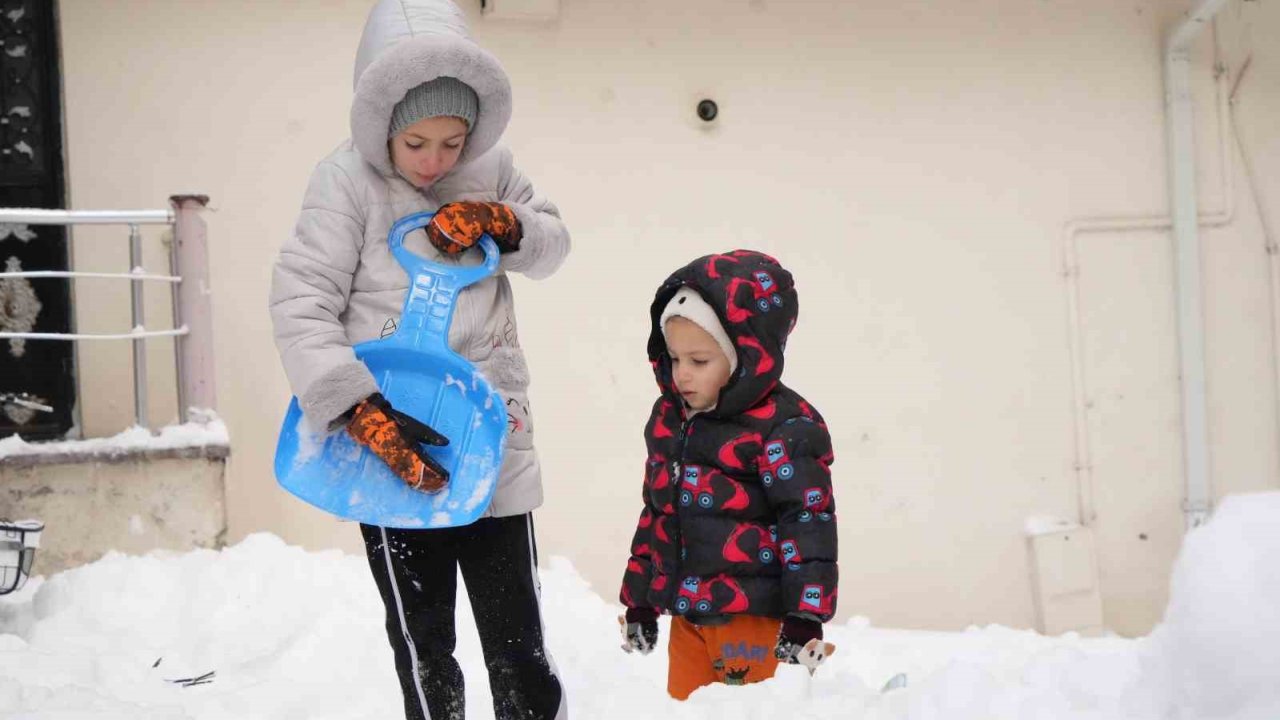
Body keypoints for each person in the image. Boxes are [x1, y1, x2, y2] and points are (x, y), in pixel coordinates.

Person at [269, 1, 568, 717]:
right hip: (392, 439)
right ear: (381, 125)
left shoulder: (492, 169)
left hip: (489, 435)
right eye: (416, 143)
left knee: (517, 639)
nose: (436, 161)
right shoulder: (344, 182)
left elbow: (553, 244)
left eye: (453, 142)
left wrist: (506, 222)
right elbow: (301, 303)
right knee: (424, 640)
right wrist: (356, 409)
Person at [618, 250, 838, 700]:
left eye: (699, 361)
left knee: (751, 710)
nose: (682, 374)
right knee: (686, 709)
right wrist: (640, 601)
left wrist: (805, 614)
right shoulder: (670, 420)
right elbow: (657, 512)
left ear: (745, 356)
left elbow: (807, 521)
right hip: (689, 620)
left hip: (754, 621)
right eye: (674, 358)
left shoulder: (785, 427)